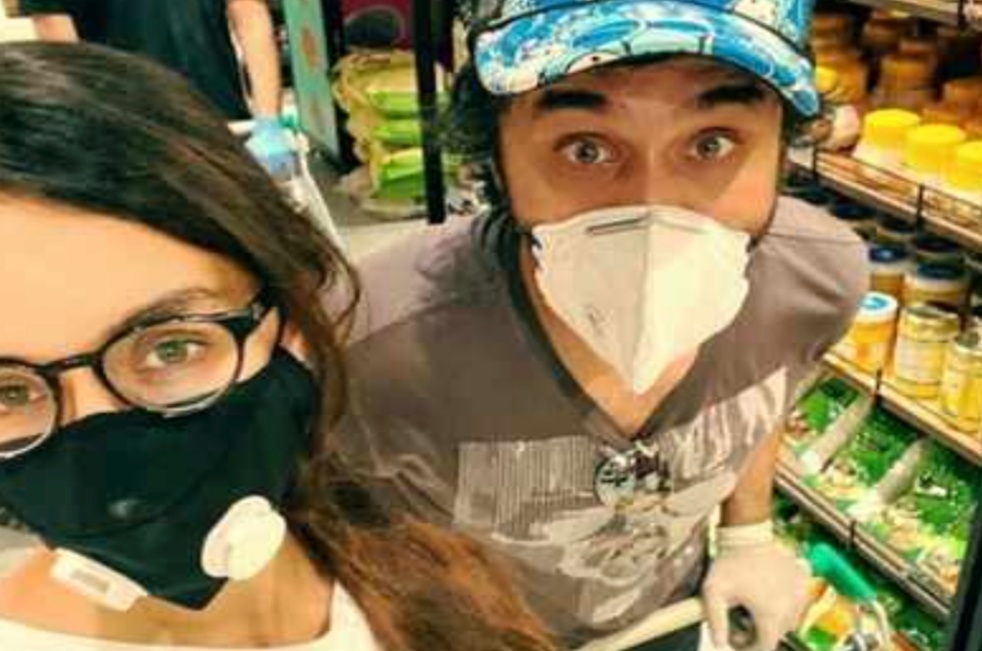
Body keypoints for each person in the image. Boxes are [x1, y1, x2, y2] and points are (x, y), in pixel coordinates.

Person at [336, 1, 869, 650]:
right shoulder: (375, 346)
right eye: (585, 148)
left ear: (783, 146)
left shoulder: (813, 285)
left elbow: (767, 381)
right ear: (495, 154)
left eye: (712, 143)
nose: (654, 207)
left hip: (666, 619)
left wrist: (747, 534)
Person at [0, 41, 556, 651]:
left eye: (171, 348)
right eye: (8, 392)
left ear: (291, 324)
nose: (111, 470)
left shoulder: (424, 568)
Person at [18, 0, 293, 176]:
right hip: (130, 142)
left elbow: (250, 15)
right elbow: (65, 51)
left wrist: (269, 121)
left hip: (222, 126)